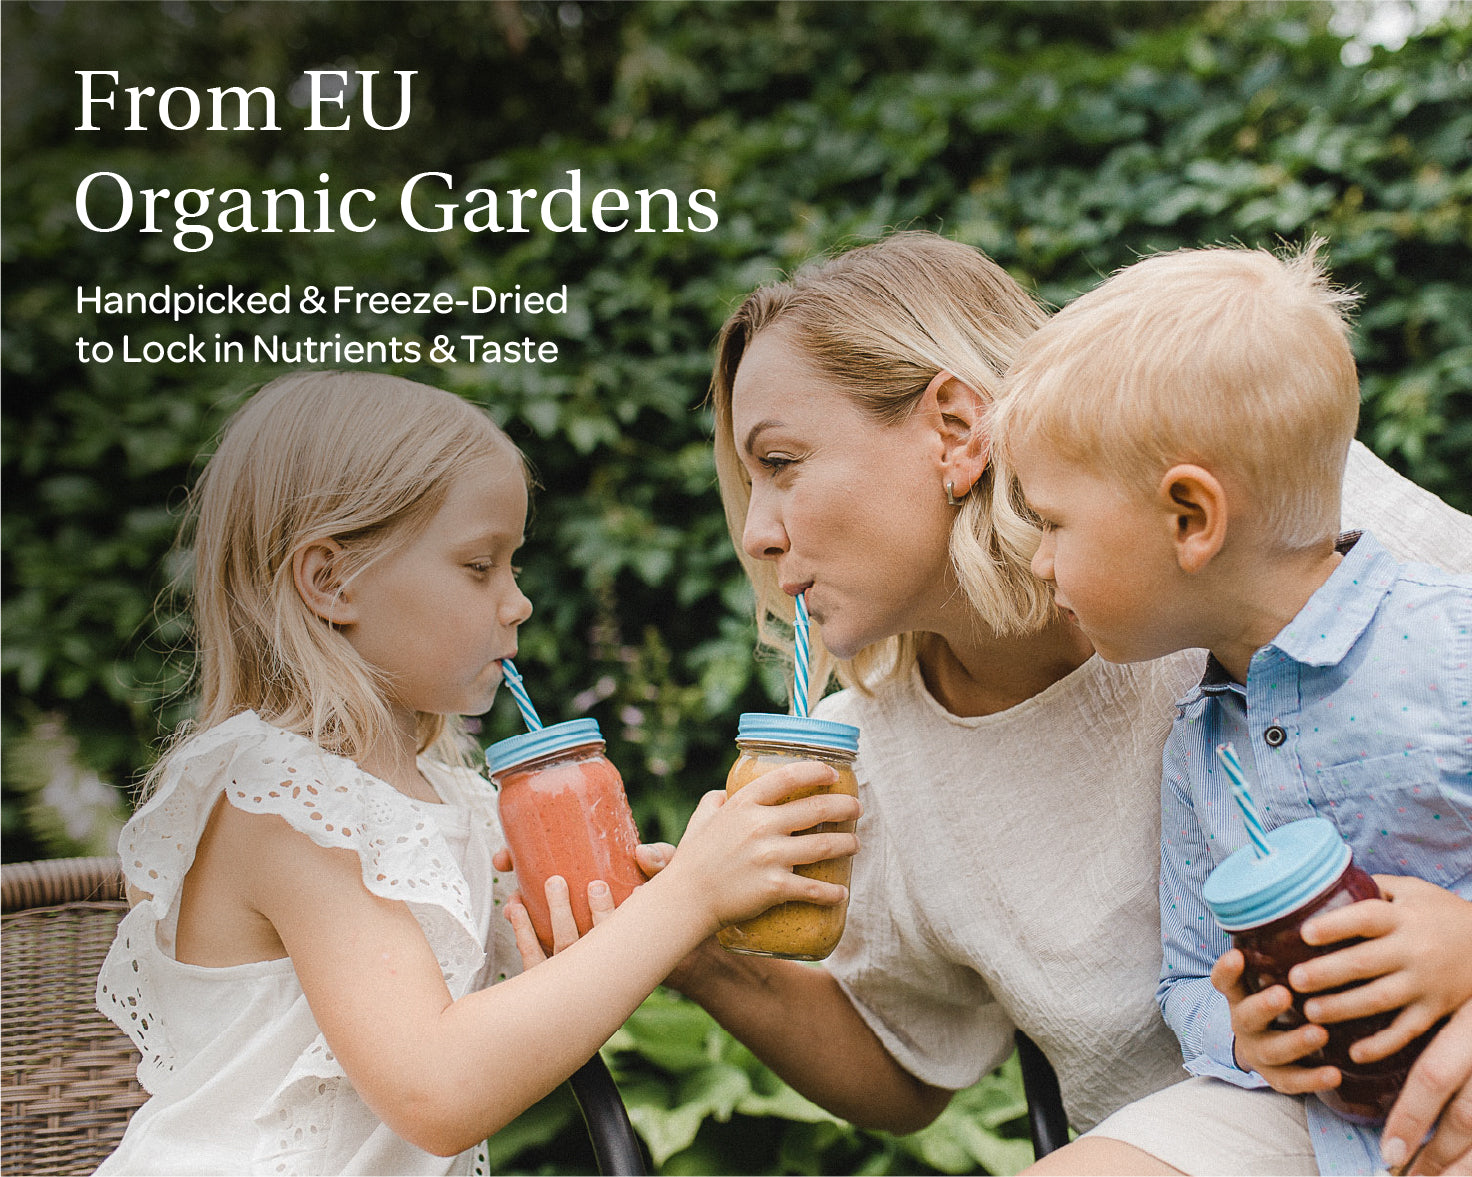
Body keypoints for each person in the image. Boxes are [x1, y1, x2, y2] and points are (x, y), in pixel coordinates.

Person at [635, 231, 1472, 1175]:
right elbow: (907, 1062)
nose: (754, 532)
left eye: (780, 462)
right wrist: (683, 944)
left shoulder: (1266, 514)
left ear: (954, 427)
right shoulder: (859, 757)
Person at [93, 371, 860, 1175]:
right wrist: (690, 892)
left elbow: (488, 1044)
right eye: (478, 565)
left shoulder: (446, 793)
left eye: (513, 565)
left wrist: (623, 922)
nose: (518, 602)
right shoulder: (282, 796)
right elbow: (439, 1090)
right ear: (331, 581)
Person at [992, 242, 1472, 1175]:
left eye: (1052, 522)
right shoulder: (1204, 739)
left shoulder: (1451, 645)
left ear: (1190, 518)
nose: (1040, 561)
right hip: (1300, 1111)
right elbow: (1188, 977)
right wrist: (1250, 1032)